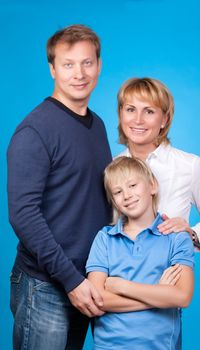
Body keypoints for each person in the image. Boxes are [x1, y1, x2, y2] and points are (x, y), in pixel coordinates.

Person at [7, 24, 112, 350]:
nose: (79, 73)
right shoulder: (35, 131)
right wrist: (71, 280)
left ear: (98, 65)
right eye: (68, 64)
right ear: (52, 69)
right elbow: (23, 215)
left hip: (87, 281)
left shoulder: (97, 125)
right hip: (46, 286)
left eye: (87, 63)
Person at [86, 156, 194, 349]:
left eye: (133, 185)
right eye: (117, 192)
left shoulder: (177, 237)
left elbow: (181, 296)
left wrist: (121, 286)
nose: (126, 195)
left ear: (152, 186)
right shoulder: (104, 238)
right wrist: (160, 296)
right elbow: (98, 300)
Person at [116, 77, 200, 251]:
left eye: (149, 111)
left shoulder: (190, 166)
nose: (138, 120)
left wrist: (191, 233)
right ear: (120, 114)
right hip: (120, 276)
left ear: (164, 119)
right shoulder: (109, 167)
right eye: (131, 109)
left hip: (172, 274)